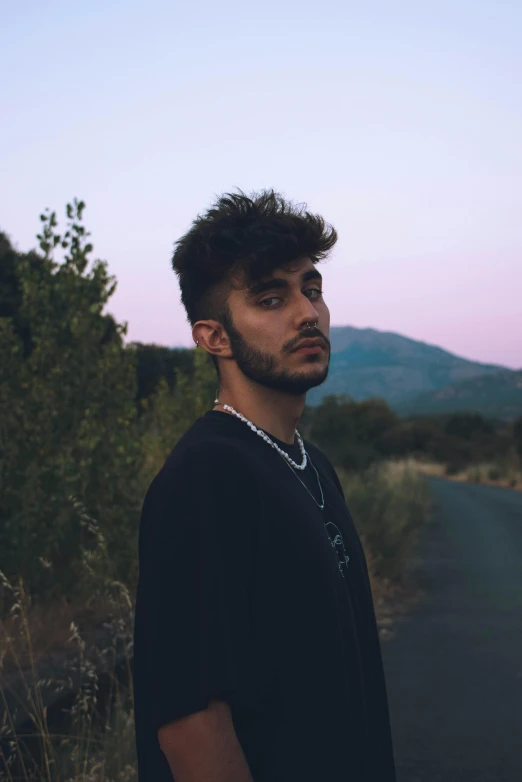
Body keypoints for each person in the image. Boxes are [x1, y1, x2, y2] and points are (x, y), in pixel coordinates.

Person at [132, 189, 397, 781]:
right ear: (213, 337)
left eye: (312, 289)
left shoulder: (311, 465)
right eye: (271, 298)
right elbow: (190, 721)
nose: (307, 313)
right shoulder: (206, 477)